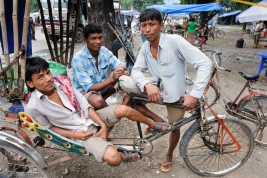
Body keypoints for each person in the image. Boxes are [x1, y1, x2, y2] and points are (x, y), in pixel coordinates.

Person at [24, 57, 172, 166]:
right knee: (114, 159)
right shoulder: (32, 105)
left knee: (124, 109)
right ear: (30, 83)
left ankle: (152, 125)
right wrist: (75, 134)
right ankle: (121, 154)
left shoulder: (63, 83)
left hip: (90, 117)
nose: (49, 78)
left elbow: (86, 107)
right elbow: (49, 128)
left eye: (48, 73)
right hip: (80, 133)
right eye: (40, 77)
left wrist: (102, 125)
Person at [118, 8, 212, 172]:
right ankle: (155, 123)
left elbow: (205, 63)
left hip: (176, 95)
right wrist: (147, 84)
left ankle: (169, 154)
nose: (147, 30)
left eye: (152, 25)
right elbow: (136, 70)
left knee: (175, 128)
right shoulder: (145, 48)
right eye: (144, 25)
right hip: (155, 90)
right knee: (126, 88)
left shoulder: (175, 41)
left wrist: (195, 95)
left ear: (161, 26)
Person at [71, 23, 166, 128]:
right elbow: (89, 88)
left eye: (100, 38)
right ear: (85, 40)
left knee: (126, 83)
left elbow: (120, 65)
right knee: (98, 101)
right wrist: (112, 79)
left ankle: (154, 118)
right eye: (93, 39)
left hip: (100, 90)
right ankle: (103, 117)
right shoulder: (78, 59)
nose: (98, 42)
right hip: (84, 93)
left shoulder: (104, 52)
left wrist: (122, 72)